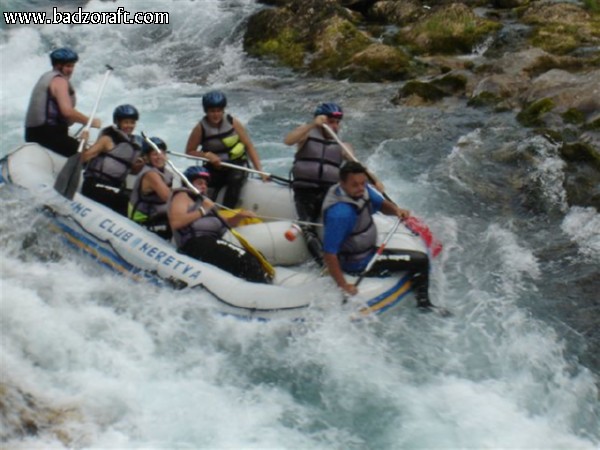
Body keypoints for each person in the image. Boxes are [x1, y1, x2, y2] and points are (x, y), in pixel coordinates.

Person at [321, 161, 434, 309]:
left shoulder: (363, 190)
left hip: (366, 249)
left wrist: (396, 210)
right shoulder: (340, 214)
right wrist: (343, 285)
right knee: (421, 260)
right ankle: (424, 304)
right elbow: (329, 253)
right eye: (355, 185)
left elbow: (380, 204)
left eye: (363, 183)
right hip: (359, 262)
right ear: (342, 183)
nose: (360, 188)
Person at [168, 166, 270, 283]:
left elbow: (224, 223)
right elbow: (176, 223)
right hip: (194, 243)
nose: (204, 186)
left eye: (205, 184)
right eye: (199, 183)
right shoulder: (182, 196)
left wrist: (239, 216)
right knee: (246, 261)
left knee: (256, 258)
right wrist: (203, 210)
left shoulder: (204, 201)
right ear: (188, 184)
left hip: (212, 241)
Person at [283, 102, 349, 266]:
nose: (334, 126)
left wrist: (374, 181)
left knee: (339, 220)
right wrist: (313, 124)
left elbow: (356, 166)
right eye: (330, 121)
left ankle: (347, 256)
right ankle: (324, 264)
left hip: (329, 191)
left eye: (336, 123)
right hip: (305, 190)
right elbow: (288, 140)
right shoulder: (306, 135)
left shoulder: (342, 145)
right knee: (307, 225)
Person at [185, 90, 268, 208]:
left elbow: (248, 146)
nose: (216, 114)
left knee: (235, 179)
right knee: (204, 182)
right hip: (213, 168)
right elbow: (189, 151)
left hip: (236, 164)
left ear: (223, 110)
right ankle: (203, 210)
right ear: (206, 111)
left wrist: (260, 171)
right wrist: (206, 155)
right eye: (212, 111)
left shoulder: (232, 122)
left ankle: (227, 212)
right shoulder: (200, 128)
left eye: (219, 111)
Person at [25, 47, 101, 157]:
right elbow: (67, 112)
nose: (71, 70)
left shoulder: (46, 77)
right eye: (68, 66)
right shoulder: (59, 81)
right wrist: (90, 121)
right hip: (48, 135)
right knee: (88, 156)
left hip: (32, 134)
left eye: (72, 66)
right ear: (57, 66)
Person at [81, 104, 143, 215]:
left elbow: (131, 170)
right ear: (118, 122)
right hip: (95, 186)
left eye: (132, 122)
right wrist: (84, 141)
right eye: (126, 122)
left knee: (134, 204)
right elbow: (85, 157)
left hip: (114, 188)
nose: (129, 126)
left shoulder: (133, 145)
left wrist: (139, 166)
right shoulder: (107, 139)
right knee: (124, 204)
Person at [128, 137, 174, 239]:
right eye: (155, 154)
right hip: (145, 222)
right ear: (147, 158)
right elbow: (168, 197)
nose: (159, 157)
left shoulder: (168, 174)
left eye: (161, 153)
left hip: (160, 217)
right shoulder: (150, 174)